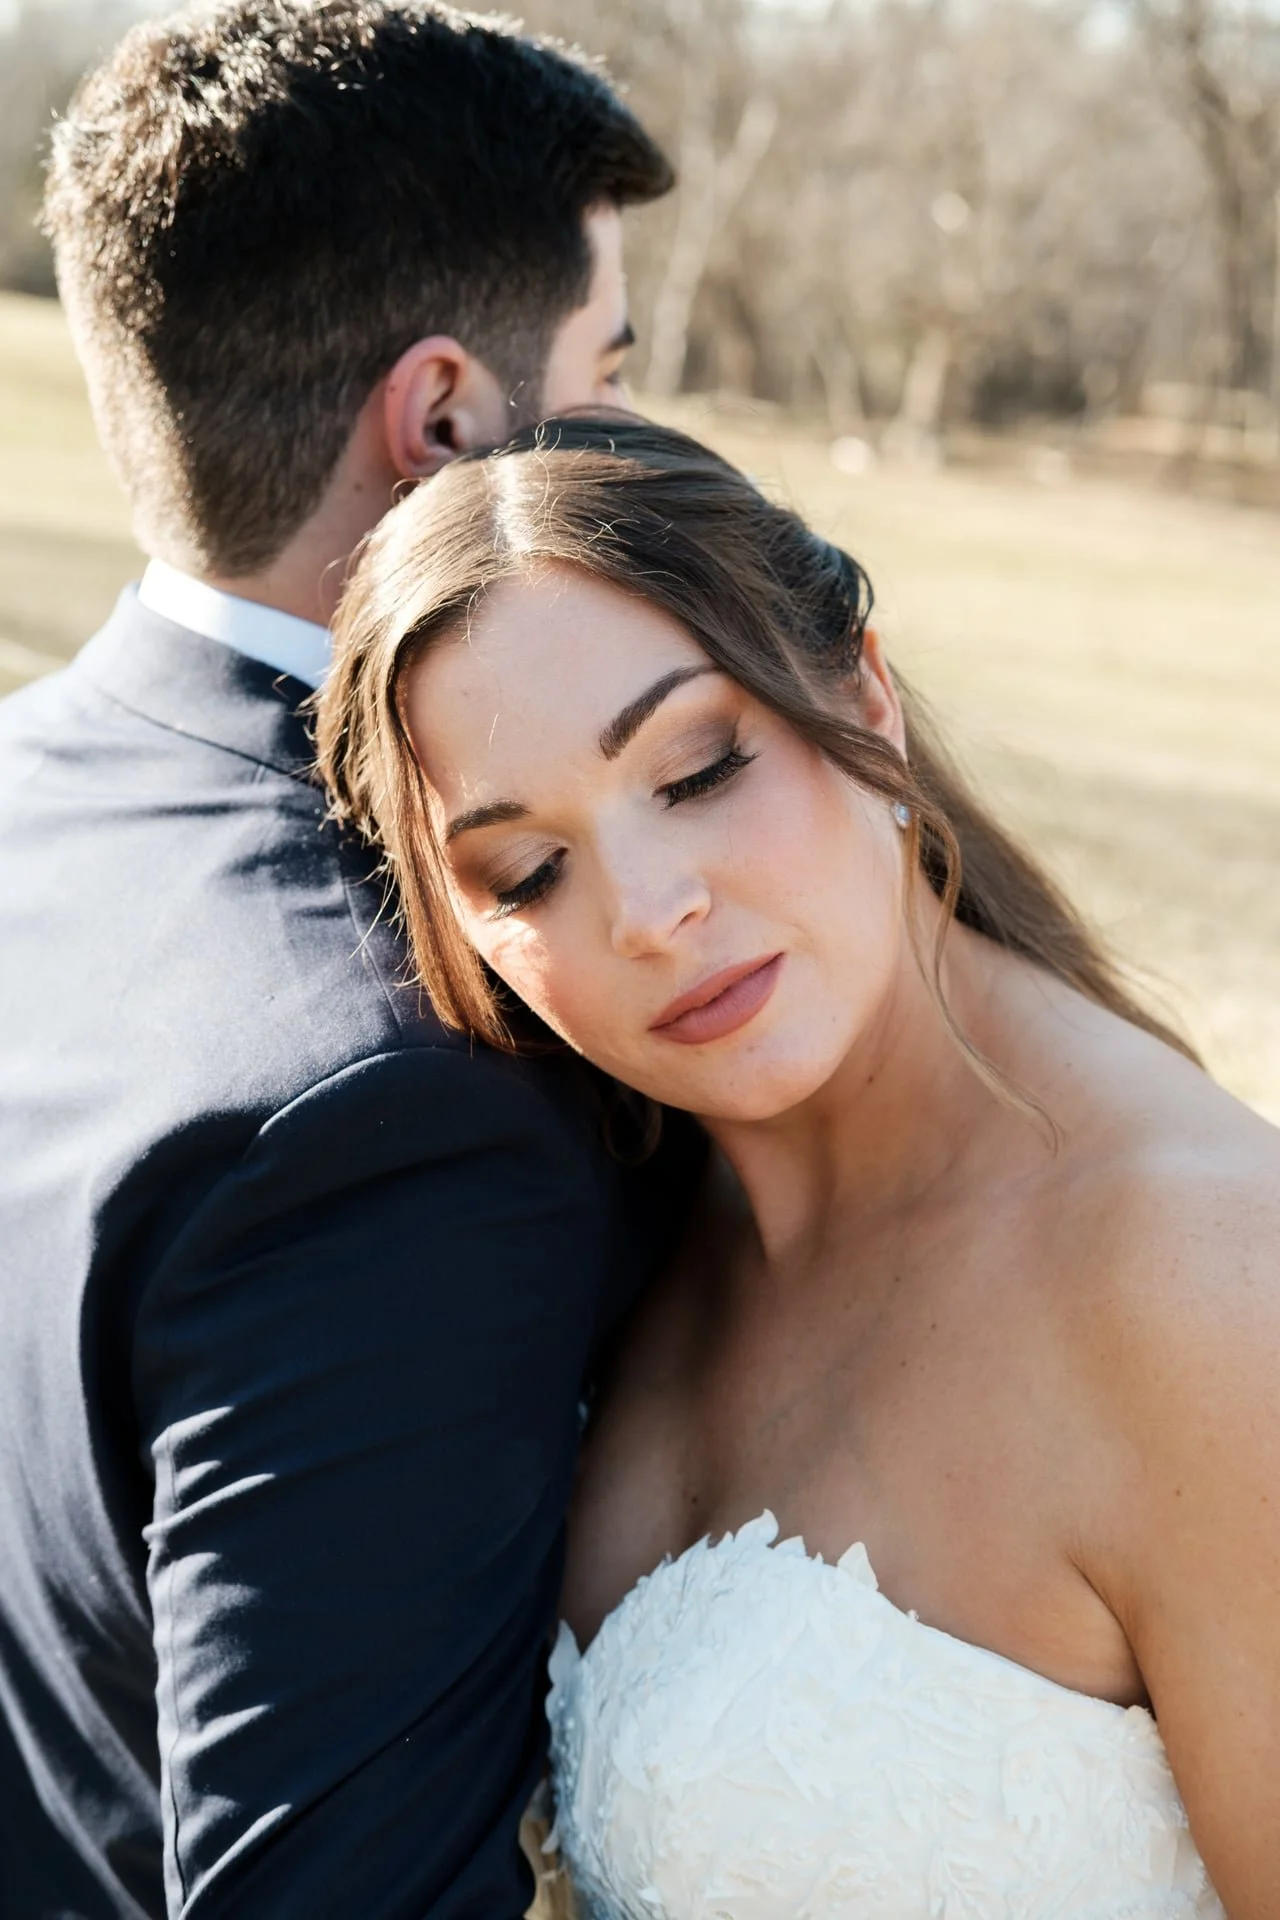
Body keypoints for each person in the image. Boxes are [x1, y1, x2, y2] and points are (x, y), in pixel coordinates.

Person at [317, 415, 1280, 1919]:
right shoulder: (613, 1251)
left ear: (865, 694)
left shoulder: (1207, 1277)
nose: (646, 910)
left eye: (696, 770)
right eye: (528, 871)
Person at [0, 11, 695, 1918]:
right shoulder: (404, 1087)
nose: (637, 447)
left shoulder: (27, 786)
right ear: (451, 419)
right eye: (609, 381)